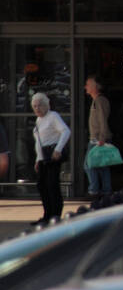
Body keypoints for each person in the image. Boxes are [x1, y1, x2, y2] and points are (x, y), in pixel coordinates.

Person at [32, 93, 70, 224]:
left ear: (46, 105)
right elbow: (39, 141)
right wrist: (38, 159)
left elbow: (66, 131)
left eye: (40, 105)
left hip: (52, 157)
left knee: (52, 186)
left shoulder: (53, 116)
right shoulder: (38, 120)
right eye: (35, 106)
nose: (37, 108)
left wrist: (58, 149)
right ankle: (47, 215)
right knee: (42, 186)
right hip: (43, 159)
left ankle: (55, 215)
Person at [85, 74, 113, 196]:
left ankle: (94, 189)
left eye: (88, 84)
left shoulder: (100, 101)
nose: (85, 87)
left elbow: (102, 120)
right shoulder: (97, 101)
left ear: (95, 86)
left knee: (88, 165)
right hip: (99, 139)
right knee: (102, 167)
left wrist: (102, 138)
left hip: (98, 139)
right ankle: (106, 190)